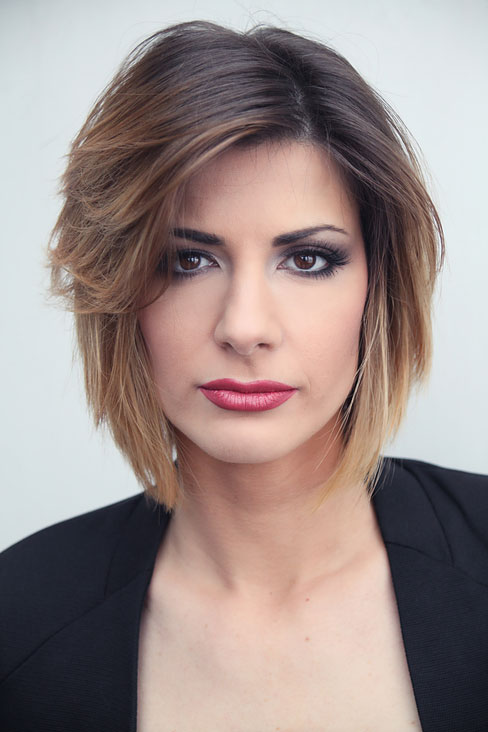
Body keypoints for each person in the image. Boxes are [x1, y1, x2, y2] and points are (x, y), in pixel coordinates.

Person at [1, 20, 487, 732]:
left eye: (308, 260)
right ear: (118, 291)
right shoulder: (18, 620)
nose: (245, 326)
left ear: (377, 288)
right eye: (188, 260)